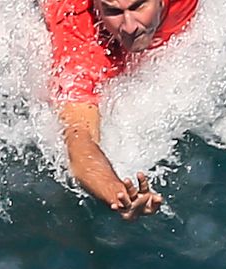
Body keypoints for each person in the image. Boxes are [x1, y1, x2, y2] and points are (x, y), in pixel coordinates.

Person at [44, 0, 199, 220]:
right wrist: (116, 193)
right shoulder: (80, 39)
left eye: (138, 7)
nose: (129, 27)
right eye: (113, 12)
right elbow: (79, 139)